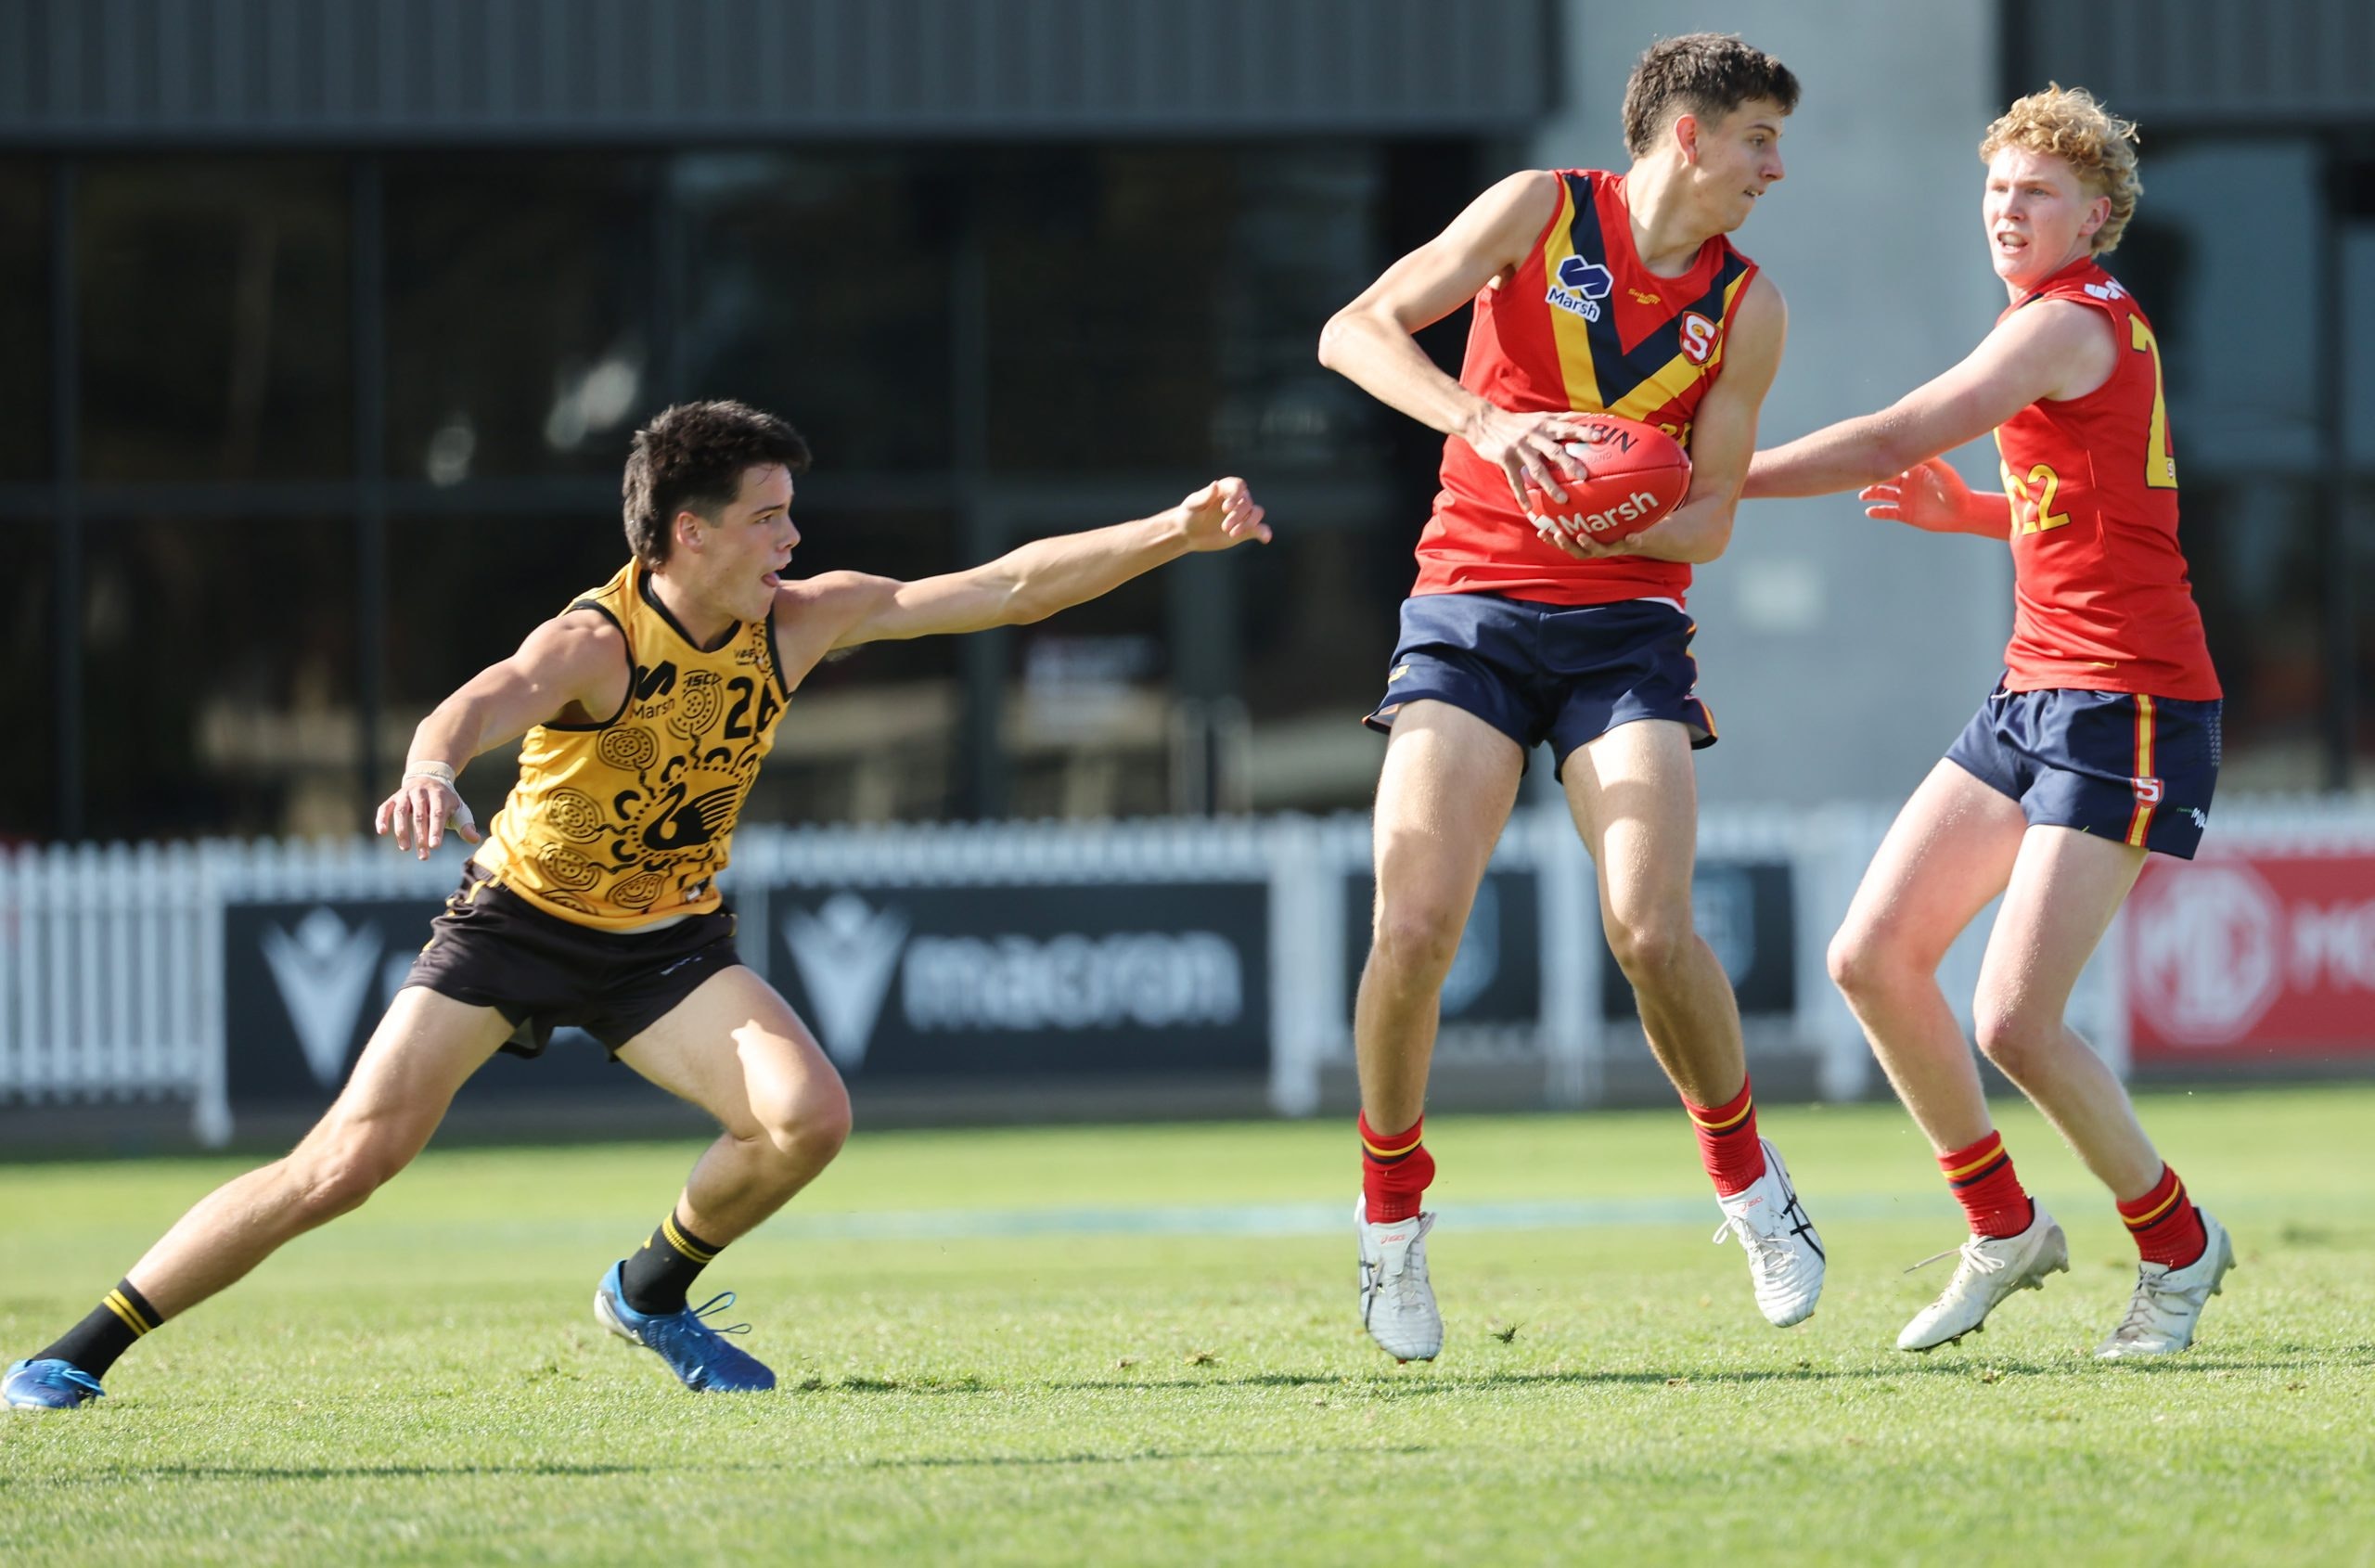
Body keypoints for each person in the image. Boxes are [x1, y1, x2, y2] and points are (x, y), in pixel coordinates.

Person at [4, 400, 1271, 1409]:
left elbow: (1002, 587)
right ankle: (77, 1348)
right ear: (683, 531)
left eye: (791, 515)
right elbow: (482, 696)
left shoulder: (796, 622)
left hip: (666, 944)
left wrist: (1172, 530)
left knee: (808, 1117)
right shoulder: (596, 642)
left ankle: (651, 1290)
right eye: (768, 518)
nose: (790, 540)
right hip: (515, 926)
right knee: (346, 1161)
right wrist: (429, 766)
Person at [1316, 32, 1822, 1365]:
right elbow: (1350, 331)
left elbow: (1712, 515)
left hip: (1625, 630)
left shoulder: (1750, 308)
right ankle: (1389, 1224)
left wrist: (1630, 516)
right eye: (1761, 138)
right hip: (1469, 610)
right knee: (1414, 924)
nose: (1777, 167)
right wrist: (1487, 427)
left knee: (1652, 931)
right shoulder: (1543, 210)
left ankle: (1755, 1191)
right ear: (1690, 135)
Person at [1742, 85, 2233, 1358]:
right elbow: (2094, 513)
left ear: (2100, 217)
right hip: (2036, 692)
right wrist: (1969, 514)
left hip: (2127, 701)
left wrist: (1715, 478)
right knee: (1872, 956)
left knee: (2015, 1016)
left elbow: (1899, 428)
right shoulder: (2054, 324)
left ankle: (2178, 1247)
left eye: (2038, 195)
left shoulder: (2065, 323)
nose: (2007, 212)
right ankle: (2004, 1225)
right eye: (1996, 190)